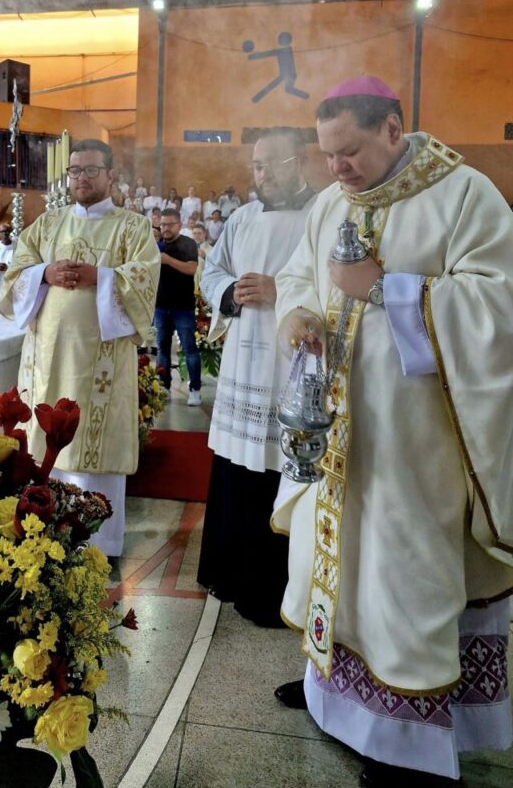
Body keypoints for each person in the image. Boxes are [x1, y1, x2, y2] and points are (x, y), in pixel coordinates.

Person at [272, 77, 513, 786]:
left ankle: (406, 742)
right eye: (327, 156)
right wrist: (299, 317)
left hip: (417, 451)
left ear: (393, 128)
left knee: (401, 586)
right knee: (335, 574)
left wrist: (383, 287)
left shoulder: (465, 195)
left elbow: (499, 310)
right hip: (338, 437)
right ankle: (333, 701)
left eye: (348, 152)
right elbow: (298, 276)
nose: (337, 169)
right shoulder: (328, 203)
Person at [0, 139, 159, 556]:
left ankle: (100, 544)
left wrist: (101, 277)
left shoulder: (132, 227)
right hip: (49, 357)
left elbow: (144, 279)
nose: (81, 178)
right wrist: (45, 273)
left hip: (100, 363)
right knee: (45, 444)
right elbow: (15, 274)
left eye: (90, 170)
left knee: (95, 442)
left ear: (110, 175)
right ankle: (43, 533)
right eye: (74, 171)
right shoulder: (48, 225)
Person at [197, 128, 315, 626]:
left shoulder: (320, 215)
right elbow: (211, 272)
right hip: (245, 364)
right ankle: (231, 575)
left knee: (279, 470)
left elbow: (331, 285)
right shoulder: (243, 218)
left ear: (299, 161)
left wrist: (280, 290)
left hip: (292, 368)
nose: (262, 175)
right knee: (239, 470)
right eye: (257, 166)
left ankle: (278, 594)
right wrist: (229, 293)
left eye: (271, 164)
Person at [153, 208, 202, 406]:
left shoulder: (188, 244)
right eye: (162, 224)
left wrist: (168, 260)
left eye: (169, 224)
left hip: (183, 307)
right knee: (162, 350)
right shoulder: (155, 246)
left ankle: (195, 389)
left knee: (189, 349)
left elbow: (191, 269)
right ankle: (164, 387)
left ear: (179, 225)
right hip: (161, 306)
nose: (165, 228)